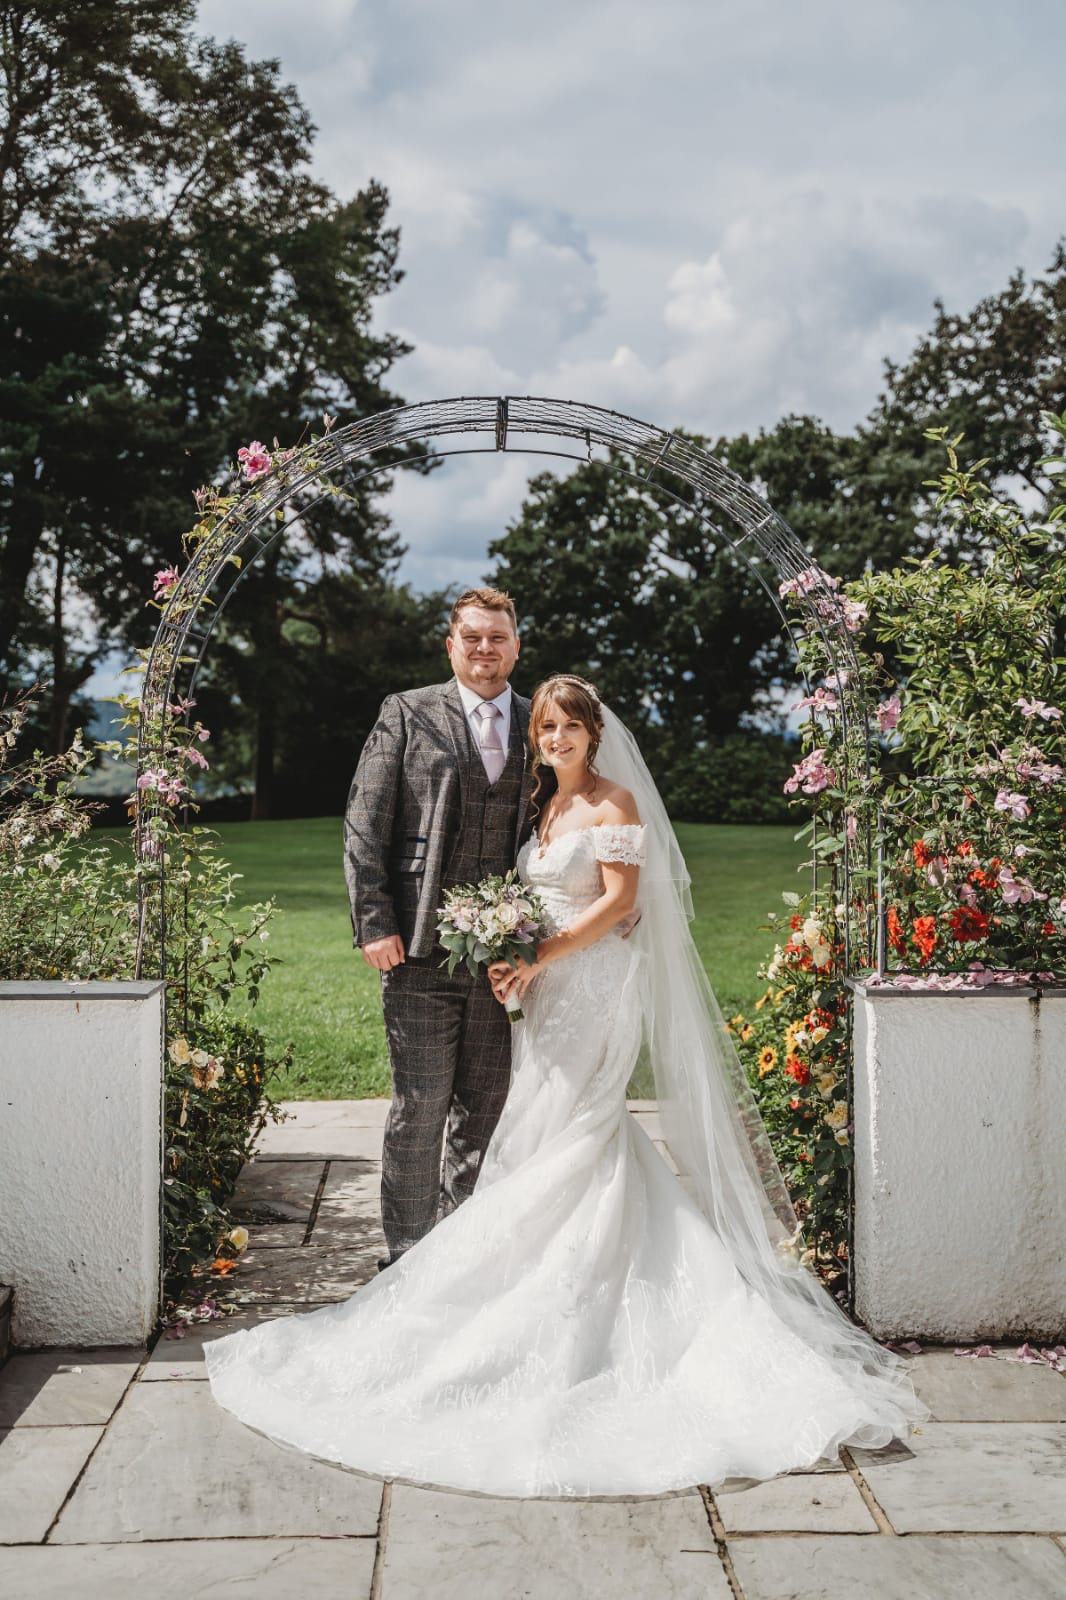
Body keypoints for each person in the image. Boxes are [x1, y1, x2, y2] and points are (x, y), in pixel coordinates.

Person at [206, 674, 928, 1497]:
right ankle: (541, 1279)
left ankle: (576, 1300)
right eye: (546, 729)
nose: (556, 739)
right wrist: (516, 964)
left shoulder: (615, 805)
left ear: (593, 733)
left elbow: (621, 904)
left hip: (593, 989)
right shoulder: (544, 807)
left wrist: (539, 957)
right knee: (550, 1126)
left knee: (577, 1128)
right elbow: (534, 899)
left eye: (570, 727)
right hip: (548, 993)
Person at [341, 587, 537, 1269]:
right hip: (418, 948)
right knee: (419, 1108)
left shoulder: (541, 720)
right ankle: (404, 1258)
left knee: (487, 1111)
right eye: (473, 637)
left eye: (498, 637)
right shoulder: (407, 712)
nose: (486, 649)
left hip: (505, 957)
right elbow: (365, 823)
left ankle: (461, 1260)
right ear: (451, 644)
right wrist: (374, 923)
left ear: (517, 645)